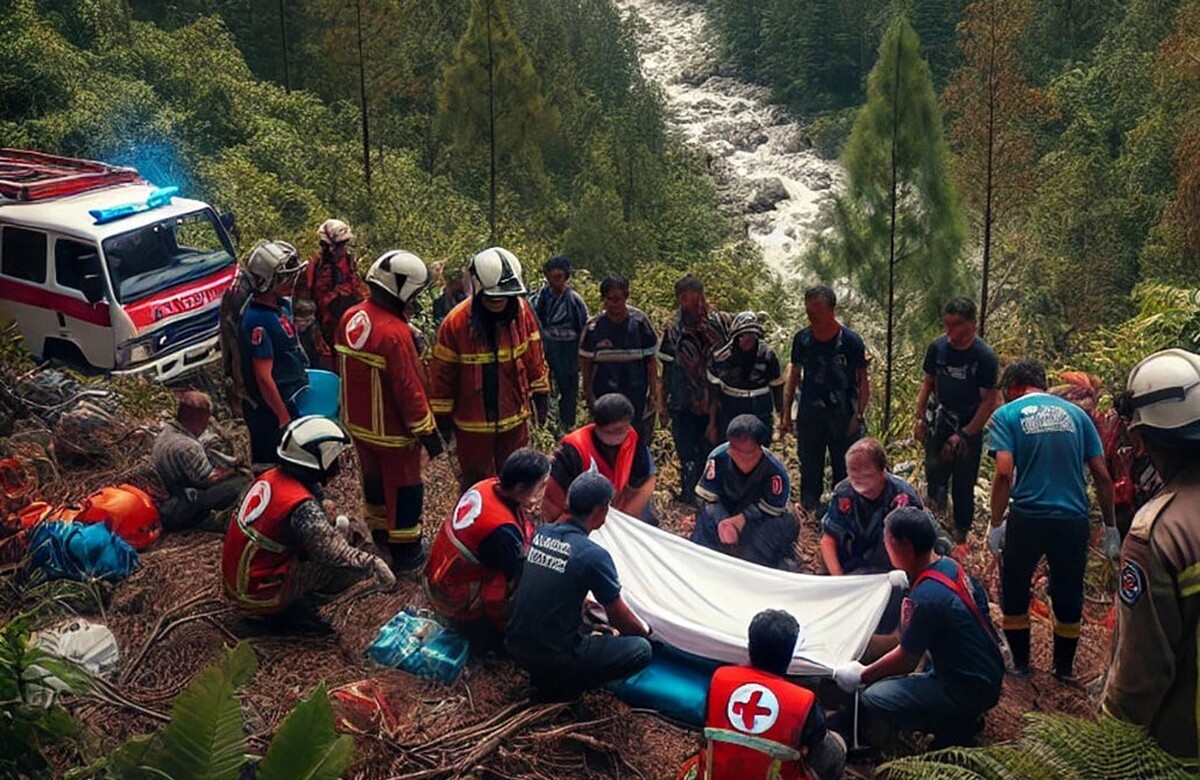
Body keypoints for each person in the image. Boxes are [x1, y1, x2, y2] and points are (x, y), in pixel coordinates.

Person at [986, 359, 1118, 679]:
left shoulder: (1006, 416)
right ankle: (1064, 669)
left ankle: (1019, 664)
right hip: (1072, 519)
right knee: (1068, 593)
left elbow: (1004, 473)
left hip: (1028, 517)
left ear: (1015, 386)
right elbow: (1101, 475)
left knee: (1016, 589)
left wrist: (996, 522)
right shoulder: (1077, 416)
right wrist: (1111, 526)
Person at [833, 507, 1004, 749]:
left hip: (964, 686)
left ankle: (950, 725)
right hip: (986, 672)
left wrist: (861, 675)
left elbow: (905, 660)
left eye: (888, 543)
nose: (886, 549)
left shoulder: (927, 598)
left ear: (905, 546)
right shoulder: (949, 567)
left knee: (874, 697)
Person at [1102, 349, 1200, 758]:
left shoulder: (1158, 533)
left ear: (1145, 439)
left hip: (1182, 754)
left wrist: (1107, 750)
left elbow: (1141, 679)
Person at [220, 416, 395, 628]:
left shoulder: (271, 477)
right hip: (260, 591)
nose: (336, 465)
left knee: (339, 528)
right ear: (314, 460)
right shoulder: (301, 507)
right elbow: (334, 553)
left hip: (243, 578)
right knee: (350, 569)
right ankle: (297, 610)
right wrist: (374, 564)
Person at [336, 250, 444, 571]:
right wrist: (428, 433)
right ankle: (407, 551)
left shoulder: (351, 317)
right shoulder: (395, 335)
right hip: (394, 433)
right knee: (406, 488)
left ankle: (380, 534)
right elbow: (408, 389)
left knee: (374, 482)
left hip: (359, 426)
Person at [505, 471, 652, 701]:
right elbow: (620, 618)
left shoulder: (542, 532)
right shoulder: (593, 555)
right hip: (554, 657)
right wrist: (645, 632)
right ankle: (565, 686)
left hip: (514, 644)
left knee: (584, 617)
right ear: (601, 511)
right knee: (641, 649)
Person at [429, 247, 551, 489]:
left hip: (514, 419)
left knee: (517, 483)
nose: (500, 303)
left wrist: (541, 393)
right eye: (493, 298)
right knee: (477, 487)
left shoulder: (522, 312)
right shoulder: (455, 324)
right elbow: (442, 377)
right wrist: (441, 420)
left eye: (505, 297)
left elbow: (533, 355)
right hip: (472, 426)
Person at [679, 609, 846, 780]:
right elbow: (813, 739)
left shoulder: (720, 678)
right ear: (790, 655)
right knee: (835, 745)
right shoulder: (803, 701)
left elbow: (706, 720)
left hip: (715, 774)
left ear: (750, 646)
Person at [424, 449, 550, 633]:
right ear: (520, 488)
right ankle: (495, 631)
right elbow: (519, 574)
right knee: (522, 584)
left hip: (439, 572)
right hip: (455, 597)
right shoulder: (501, 532)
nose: (542, 492)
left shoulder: (487, 485)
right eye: (541, 485)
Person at [912, 298, 1001, 543]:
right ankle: (934, 527)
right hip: (940, 419)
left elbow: (988, 401)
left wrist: (966, 434)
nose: (950, 331)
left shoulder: (984, 357)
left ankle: (961, 534)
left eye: (956, 325)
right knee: (935, 474)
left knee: (964, 483)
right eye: (947, 325)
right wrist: (920, 417)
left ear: (971, 324)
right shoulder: (938, 348)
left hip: (969, 422)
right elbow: (928, 383)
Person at [781, 285, 870, 514]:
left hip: (843, 415)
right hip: (810, 414)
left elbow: (863, 382)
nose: (812, 317)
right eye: (809, 312)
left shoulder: (850, 341)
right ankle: (810, 512)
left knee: (844, 467)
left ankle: (842, 513)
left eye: (817, 313)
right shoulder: (803, 339)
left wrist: (858, 415)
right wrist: (786, 415)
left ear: (831, 310)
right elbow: (793, 376)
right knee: (810, 466)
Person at [658, 275, 731, 505]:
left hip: (714, 401)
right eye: (682, 297)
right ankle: (689, 495)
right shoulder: (674, 329)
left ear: (701, 295)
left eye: (691, 296)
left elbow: (728, 364)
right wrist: (661, 401)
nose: (687, 302)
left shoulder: (718, 324)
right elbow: (666, 366)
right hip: (682, 399)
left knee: (712, 450)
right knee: (686, 450)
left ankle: (711, 495)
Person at [237, 240, 310, 469]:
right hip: (270, 411)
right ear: (269, 281)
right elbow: (264, 378)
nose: (292, 281)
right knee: (275, 467)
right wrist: (282, 416)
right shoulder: (256, 320)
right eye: (286, 277)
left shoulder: (282, 306)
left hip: (291, 397)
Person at [691, 415, 797, 570]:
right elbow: (707, 497)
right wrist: (723, 521)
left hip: (760, 516)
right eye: (733, 449)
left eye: (746, 453)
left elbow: (773, 508)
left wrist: (742, 520)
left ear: (759, 449)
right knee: (706, 521)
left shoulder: (775, 472)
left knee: (765, 537)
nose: (737, 456)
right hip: (726, 510)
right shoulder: (718, 458)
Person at [542, 393, 657, 524]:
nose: (615, 437)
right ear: (596, 425)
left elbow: (645, 482)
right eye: (609, 432)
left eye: (620, 430)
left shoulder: (632, 439)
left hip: (614, 510)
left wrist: (624, 520)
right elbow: (552, 498)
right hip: (578, 516)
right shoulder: (573, 449)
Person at [821, 438, 923, 576]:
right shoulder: (843, 493)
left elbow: (915, 549)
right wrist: (838, 580)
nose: (861, 482)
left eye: (867, 475)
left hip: (889, 568)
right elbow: (829, 539)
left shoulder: (902, 496)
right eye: (854, 476)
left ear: (882, 471)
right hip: (852, 565)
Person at [580, 274, 660, 446]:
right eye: (609, 299)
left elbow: (651, 362)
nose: (613, 304)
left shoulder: (640, 324)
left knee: (636, 440)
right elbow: (586, 363)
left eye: (618, 299)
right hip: (605, 395)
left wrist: (653, 394)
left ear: (626, 296)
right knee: (606, 441)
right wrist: (588, 394)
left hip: (636, 395)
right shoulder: (594, 327)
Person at [152, 391, 248, 532]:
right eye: (206, 418)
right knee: (240, 483)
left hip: (170, 495)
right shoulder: (188, 446)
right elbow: (206, 480)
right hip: (186, 502)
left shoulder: (167, 431)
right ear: (199, 417)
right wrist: (232, 470)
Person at [707, 311, 784, 442]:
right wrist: (712, 424)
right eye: (743, 335)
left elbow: (777, 388)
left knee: (759, 449)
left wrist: (780, 420)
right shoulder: (721, 356)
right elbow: (713, 394)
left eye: (751, 334)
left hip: (759, 408)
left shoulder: (767, 355)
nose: (747, 339)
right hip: (730, 408)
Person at [532, 255, 589, 431]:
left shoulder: (574, 300)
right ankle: (544, 424)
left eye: (559, 277)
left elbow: (584, 328)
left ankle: (567, 425)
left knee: (569, 391)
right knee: (544, 389)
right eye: (552, 277)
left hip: (569, 352)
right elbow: (536, 323)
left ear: (566, 277)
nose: (555, 281)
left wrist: (581, 356)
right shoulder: (541, 298)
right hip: (548, 350)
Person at [299, 218, 368, 363]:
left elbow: (358, 288)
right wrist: (314, 333)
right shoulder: (314, 266)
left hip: (346, 321)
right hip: (323, 326)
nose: (343, 249)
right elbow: (304, 304)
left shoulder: (349, 260)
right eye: (339, 245)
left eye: (344, 245)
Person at [432, 261, 469, 327]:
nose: (461, 284)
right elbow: (439, 321)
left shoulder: (465, 299)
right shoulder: (439, 303)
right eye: (457, 282)